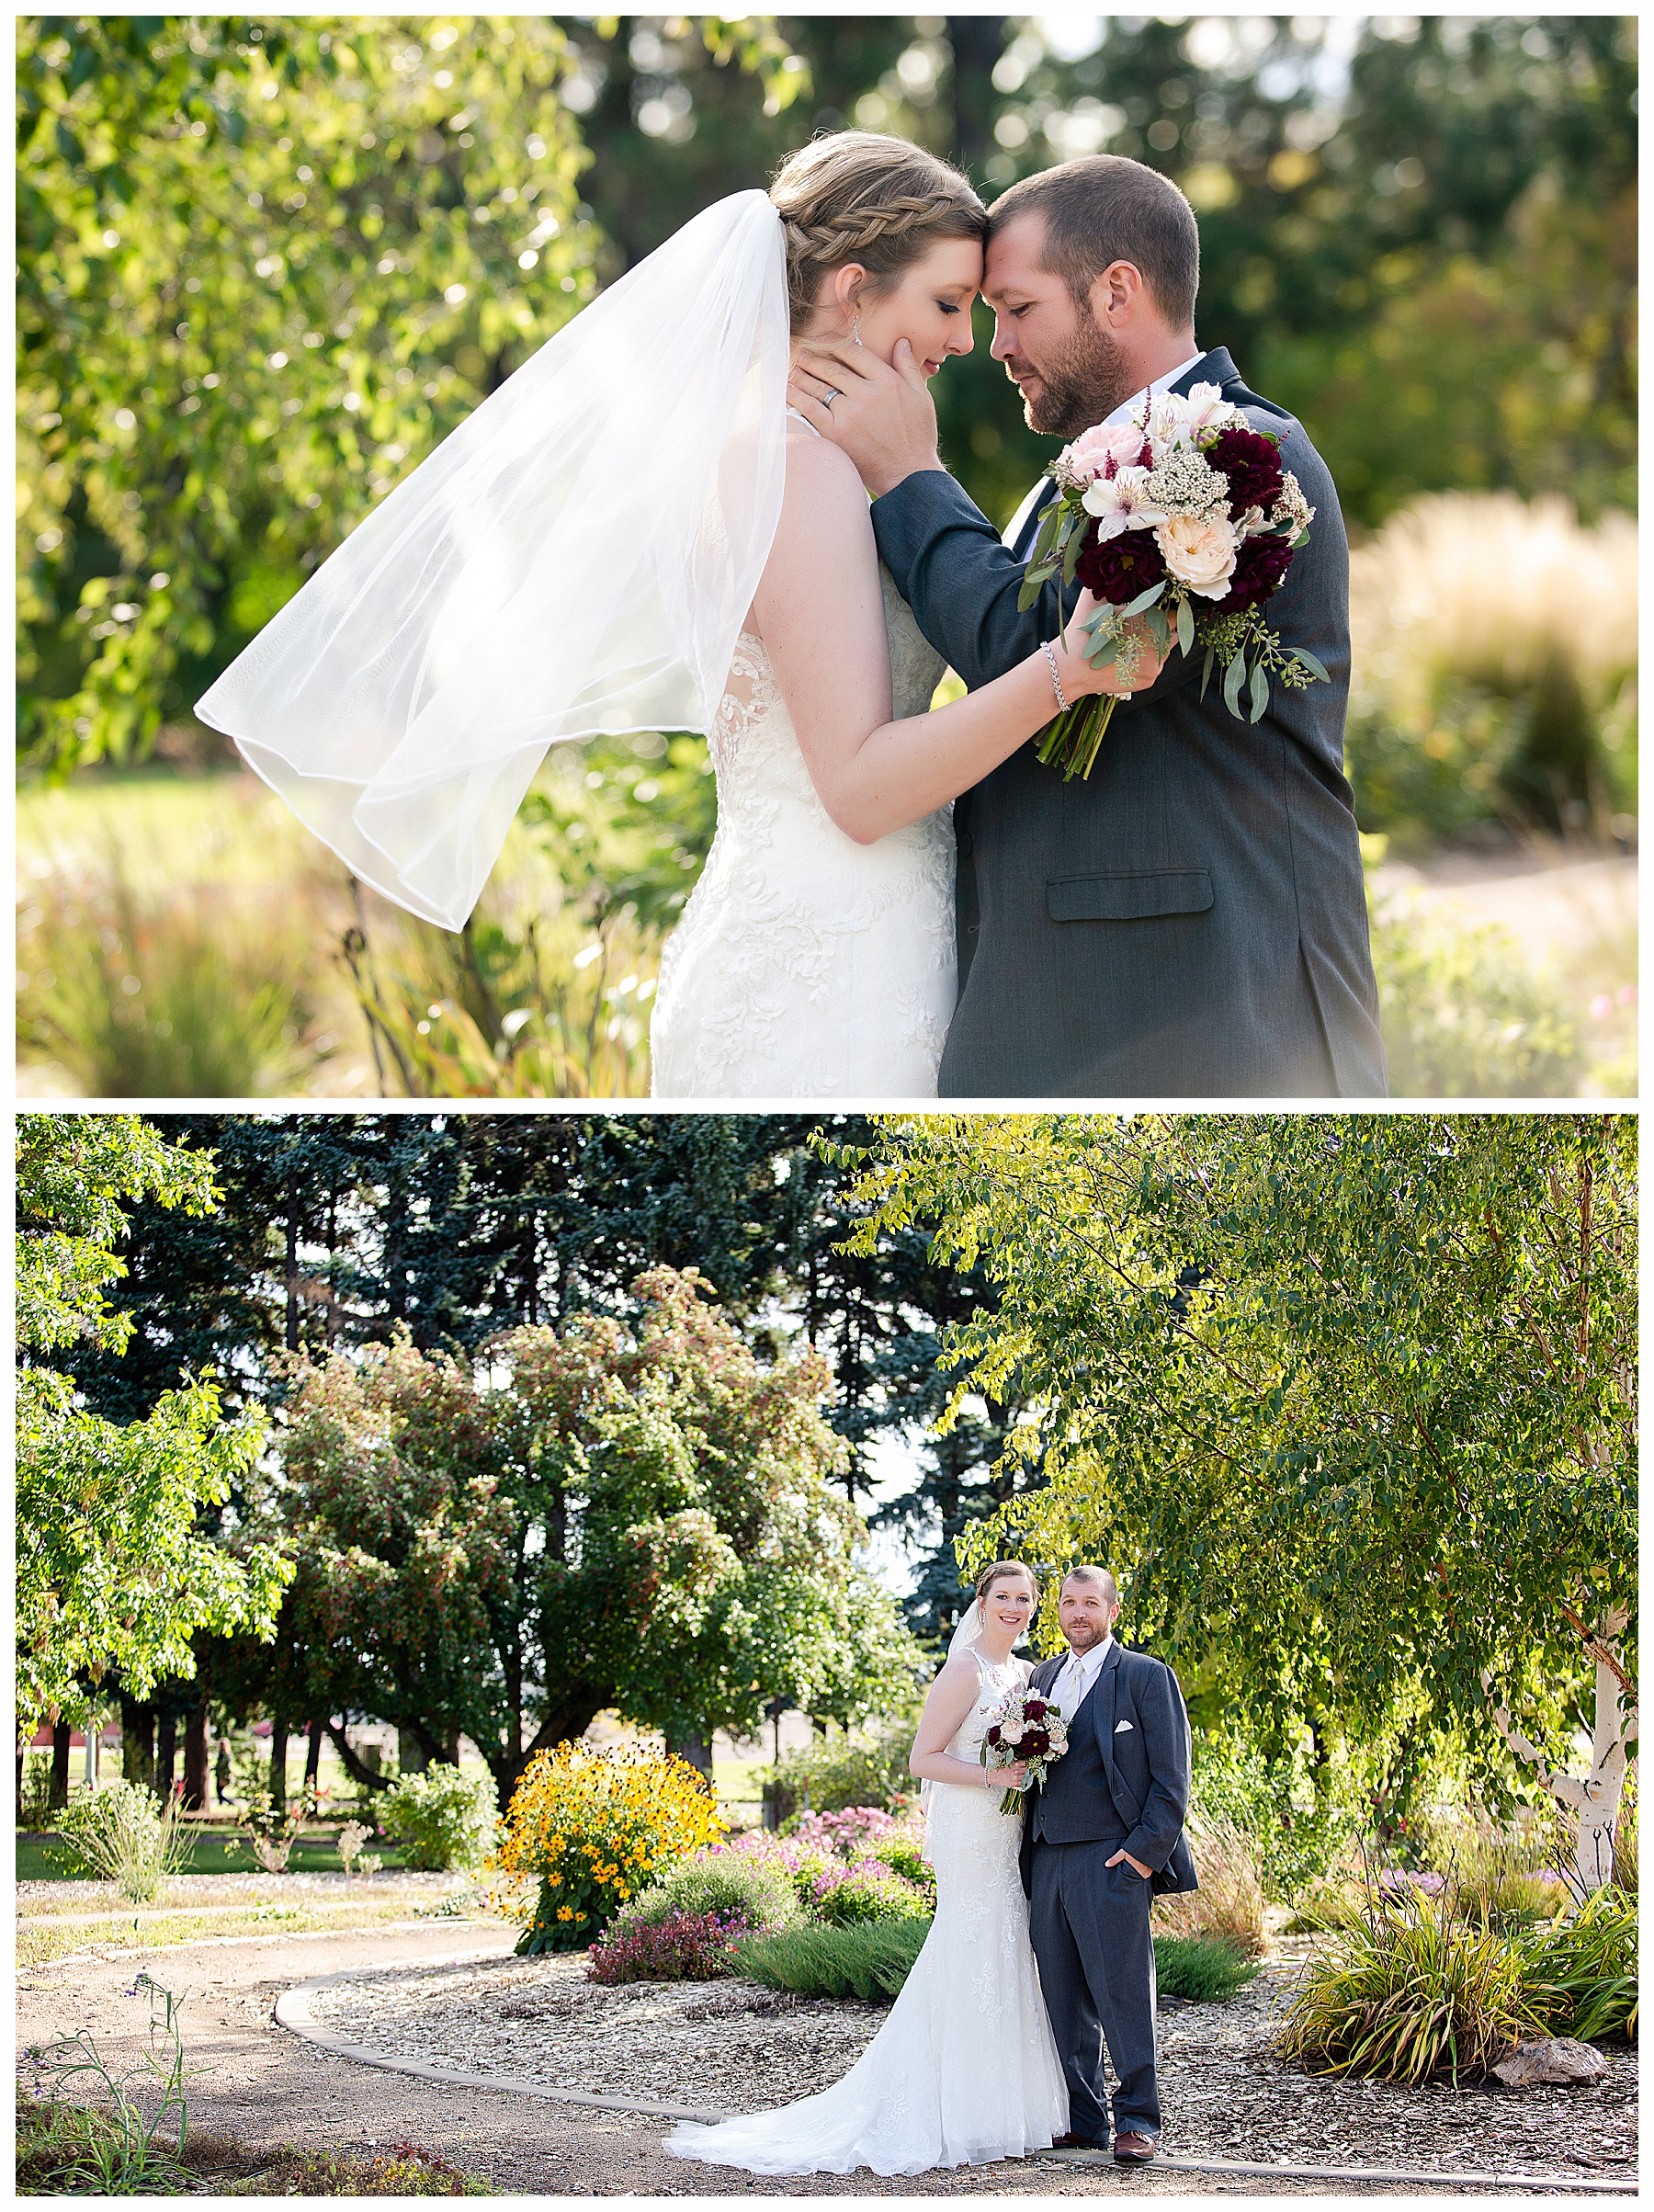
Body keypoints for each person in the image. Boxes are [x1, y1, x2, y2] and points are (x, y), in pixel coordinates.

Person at [196, 132, 1153, 1098]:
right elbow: (858, 790)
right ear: (851, 291)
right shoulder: (798, 471)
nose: (962, 340)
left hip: (826, 926)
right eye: (947, 304)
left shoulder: (779, 455)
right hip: (834, 962)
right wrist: (1065, 670)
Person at [789, 153, 1388, 1099]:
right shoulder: (1086, 465)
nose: (994, 343)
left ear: (1116, 293)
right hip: (1094, 1009)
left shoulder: (1240, 459)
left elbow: (1027, 651)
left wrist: (909, 475)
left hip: (1221, 1013)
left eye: (1016, 309)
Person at [663, 1561, 1069, 2175]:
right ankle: (947, 2108)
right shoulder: (965, 1669)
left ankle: (998, 2110)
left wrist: (1030, 1762)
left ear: (1032, 1608)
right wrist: (995, 1774)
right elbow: (922, 1757)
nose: (1014, 1606)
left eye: (1024, 1598)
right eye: (1003, 1596)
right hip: (970, 1826)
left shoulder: (1028, 1673)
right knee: (971, 1940)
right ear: (982, 1602)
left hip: (1007, 1827)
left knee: (1007, 1943)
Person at [1018, 1567, 1197, 2163]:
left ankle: (1139, 2119)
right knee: (1062, 1996)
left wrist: (1142, 1857)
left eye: (1089, 1602)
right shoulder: (1040, 1676)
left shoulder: (1146, 1677)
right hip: (1046, 1857)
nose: (1077, 1612)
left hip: (1111, 1860)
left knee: (1123, 1994)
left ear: (1112, 1611)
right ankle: (1085, 2118)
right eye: (1068, 1602)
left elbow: (1172, 1782)